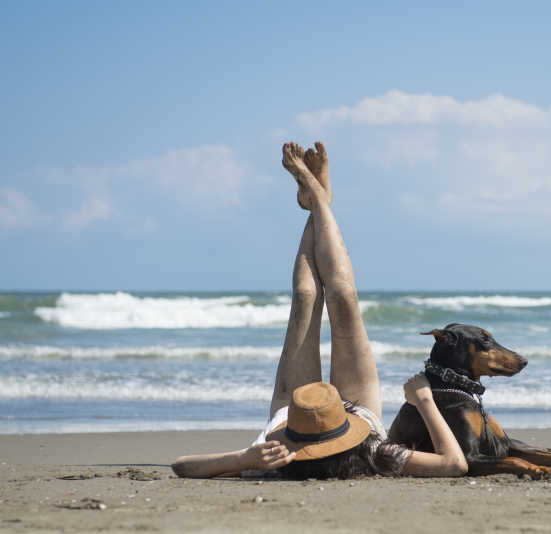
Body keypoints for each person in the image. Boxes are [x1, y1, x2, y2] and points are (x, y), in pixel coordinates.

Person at [171, 142, 468, 479]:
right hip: (360, 415)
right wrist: (424, 401)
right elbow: (454, 465)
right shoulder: (373, 451)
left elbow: (182, 466)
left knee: (304, 298)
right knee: (342, 296)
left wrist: (245, 459)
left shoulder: (277, 452)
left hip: (291, 415)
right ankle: (317, 195)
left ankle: (316, 197)